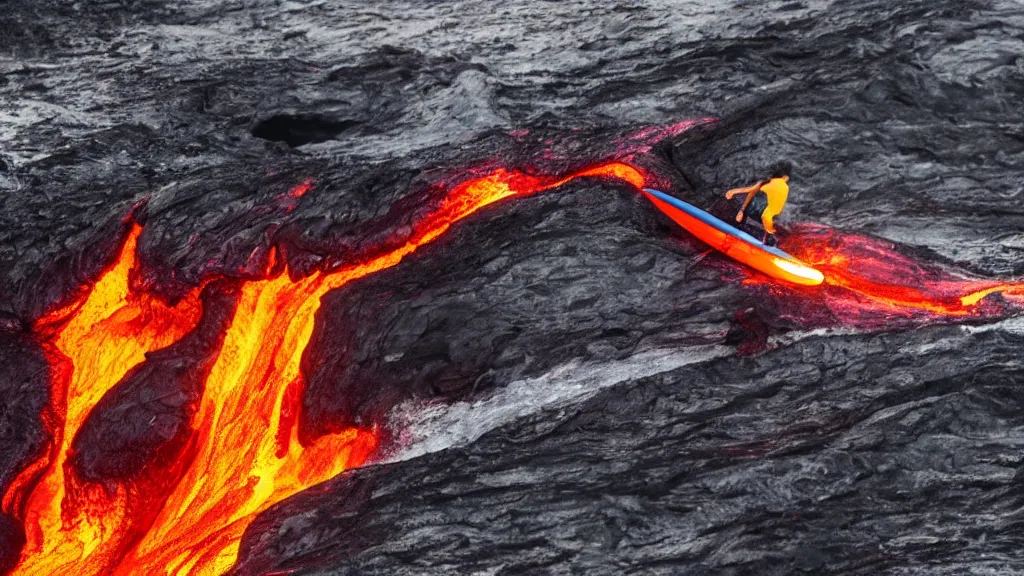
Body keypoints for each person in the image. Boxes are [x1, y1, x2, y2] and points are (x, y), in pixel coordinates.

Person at [724, 161, 792, 246]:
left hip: (766, 217)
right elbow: (751, 192)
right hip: (763, 216)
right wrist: (742, 210)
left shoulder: (773, 184)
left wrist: (734, 193)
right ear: (785, 177)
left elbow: (751, 190)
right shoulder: (778, 185)